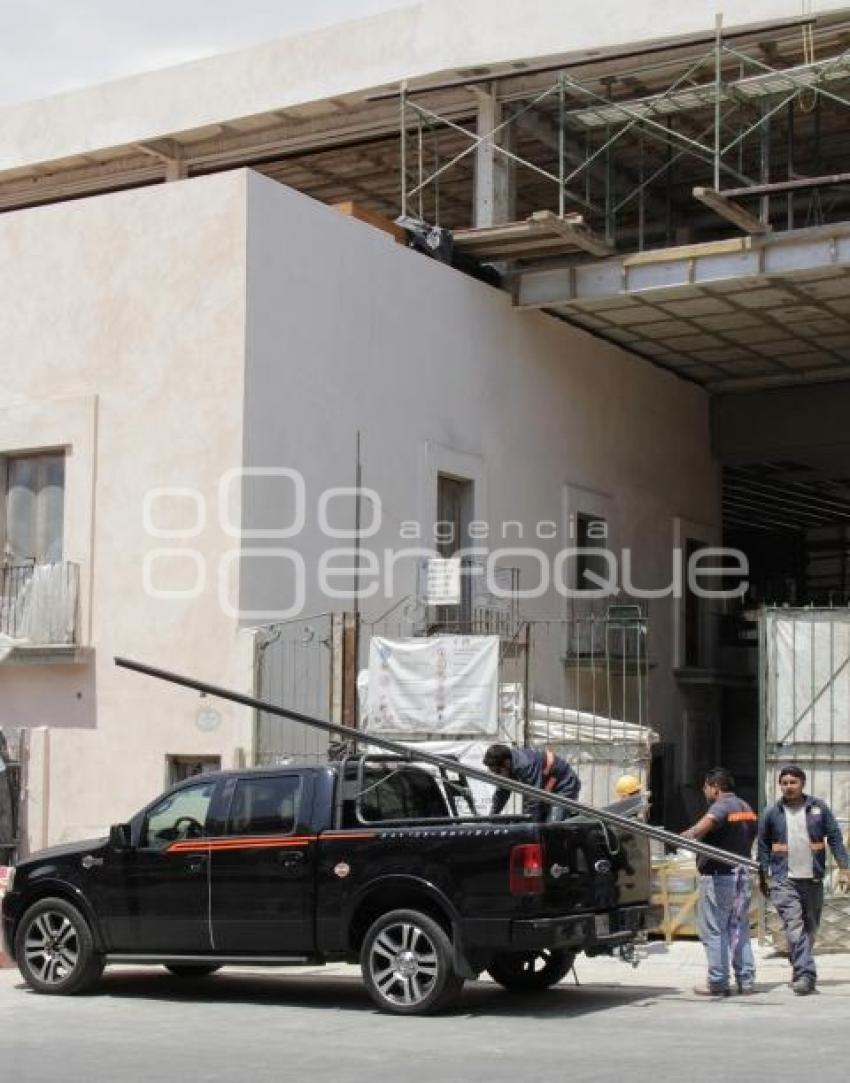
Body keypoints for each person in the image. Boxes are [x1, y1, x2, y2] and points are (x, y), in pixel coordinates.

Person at [758, 764, 850, 995]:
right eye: (784, 783)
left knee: (810, 928)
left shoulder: (818, 808)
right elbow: (763, 848)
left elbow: (836, 838)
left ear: (802, 784)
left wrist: (845, 867)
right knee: (794, 925)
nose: (788, 787)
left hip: (813, 879)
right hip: (783, 878)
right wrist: (764, 877)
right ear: (780, 785)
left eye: (793, 782)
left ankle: (799, 969)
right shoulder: (772, 812)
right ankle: (807, 976)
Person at [682, 766, 758, 997]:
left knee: (715, 930)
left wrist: (686, 835)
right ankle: (746, 980)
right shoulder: (745, 806)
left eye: (705, 787)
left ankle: (718, 982)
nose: (704, 792)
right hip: (741, 875)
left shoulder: (721, 806)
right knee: (739, 928)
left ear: (715, 787)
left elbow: (708, 823)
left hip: (719, 877)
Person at [483, 744, 580, 823]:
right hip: (546, 789)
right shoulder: (508, 766)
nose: (497, 775)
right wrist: (492, 817)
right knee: (540, 824)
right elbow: (502, 793)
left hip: (564, 784)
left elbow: (533, 799)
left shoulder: (525, 766)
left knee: (552, 827)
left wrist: (525, 825)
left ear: (506, 763)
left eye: (497, 771)